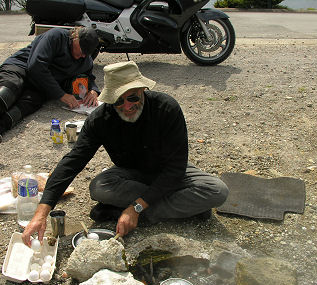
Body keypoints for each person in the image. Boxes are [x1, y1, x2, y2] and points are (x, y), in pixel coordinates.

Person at [22, 61, 229, 246]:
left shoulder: (166, 109)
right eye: (118, 101)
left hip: (168, 173)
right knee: (98, 187)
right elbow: (73, 161)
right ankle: (185, 209)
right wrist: (41, 213)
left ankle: (125, 212)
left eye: (132, 97)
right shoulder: (100, 120)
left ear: (142, 89)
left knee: (217, 191)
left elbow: (176, 169)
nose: (127, 106)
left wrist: (135, 208)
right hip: (131, 174)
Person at [0, 26, 100, 154]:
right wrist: (61, 95)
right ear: (75, 37)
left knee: (22, 108)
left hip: (40, 86)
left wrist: (93, 91)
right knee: (9, 92)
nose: (80, 56)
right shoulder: (56, 36)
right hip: (20, 68)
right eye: (79, 50)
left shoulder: (84, 58)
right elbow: (36, 66)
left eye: (85, 54)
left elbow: (87, 76)